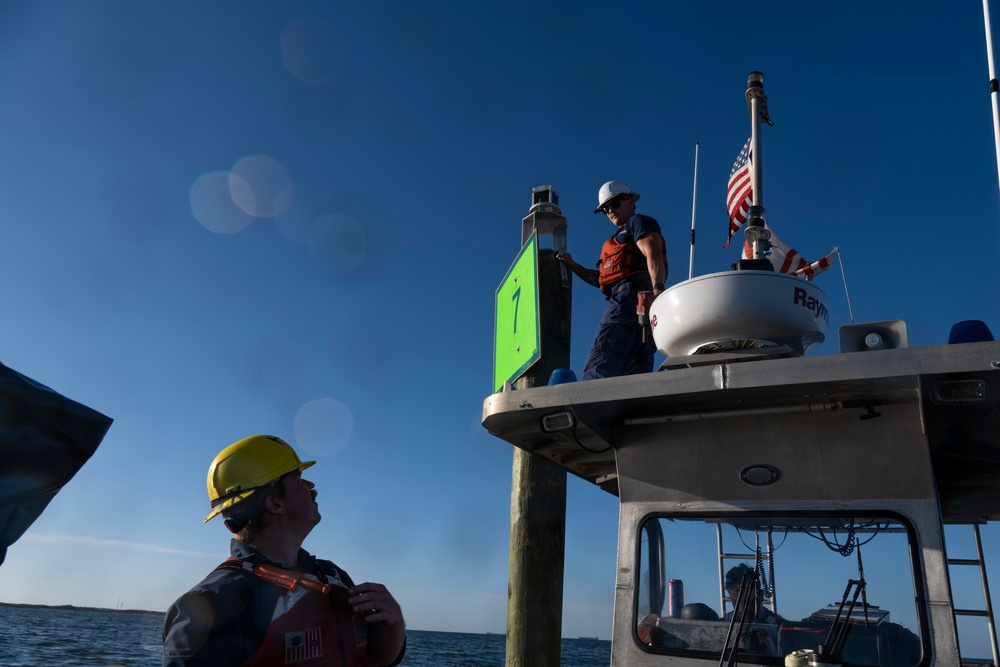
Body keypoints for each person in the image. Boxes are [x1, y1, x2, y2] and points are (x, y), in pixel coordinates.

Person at [162, 434, 406, 667]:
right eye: (299, 480)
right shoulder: (216, 602)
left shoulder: (333, 576)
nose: (311, 485)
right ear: (275, 504)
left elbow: (379, 659)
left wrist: (393, 623)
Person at [556, 180, 668, 379]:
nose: (610, 211)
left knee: (600, 364)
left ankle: (592, 407)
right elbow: (602, 280)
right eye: (606, 209)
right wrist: (573, 266)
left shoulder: (638, 223)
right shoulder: (616, 240)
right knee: (634, 375)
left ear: (631, 202)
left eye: (615, 204)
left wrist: (657, 292)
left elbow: (653, 253)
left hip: (630, 302)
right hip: (635, 304)